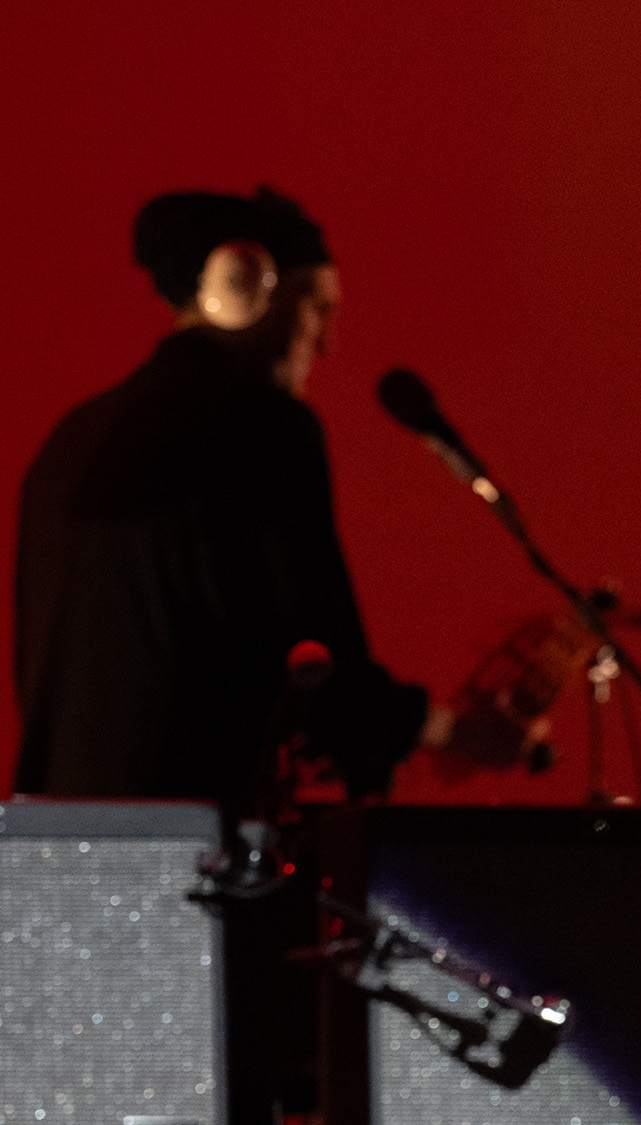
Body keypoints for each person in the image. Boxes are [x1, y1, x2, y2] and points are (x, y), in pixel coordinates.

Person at [13, 187, 432, 808]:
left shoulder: (72, 437)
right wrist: (436, 727)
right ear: (247, 292)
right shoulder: (265, 425)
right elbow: (316, 661)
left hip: (56, 855)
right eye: (316, 308)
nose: (326, 343)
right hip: (197, 849)